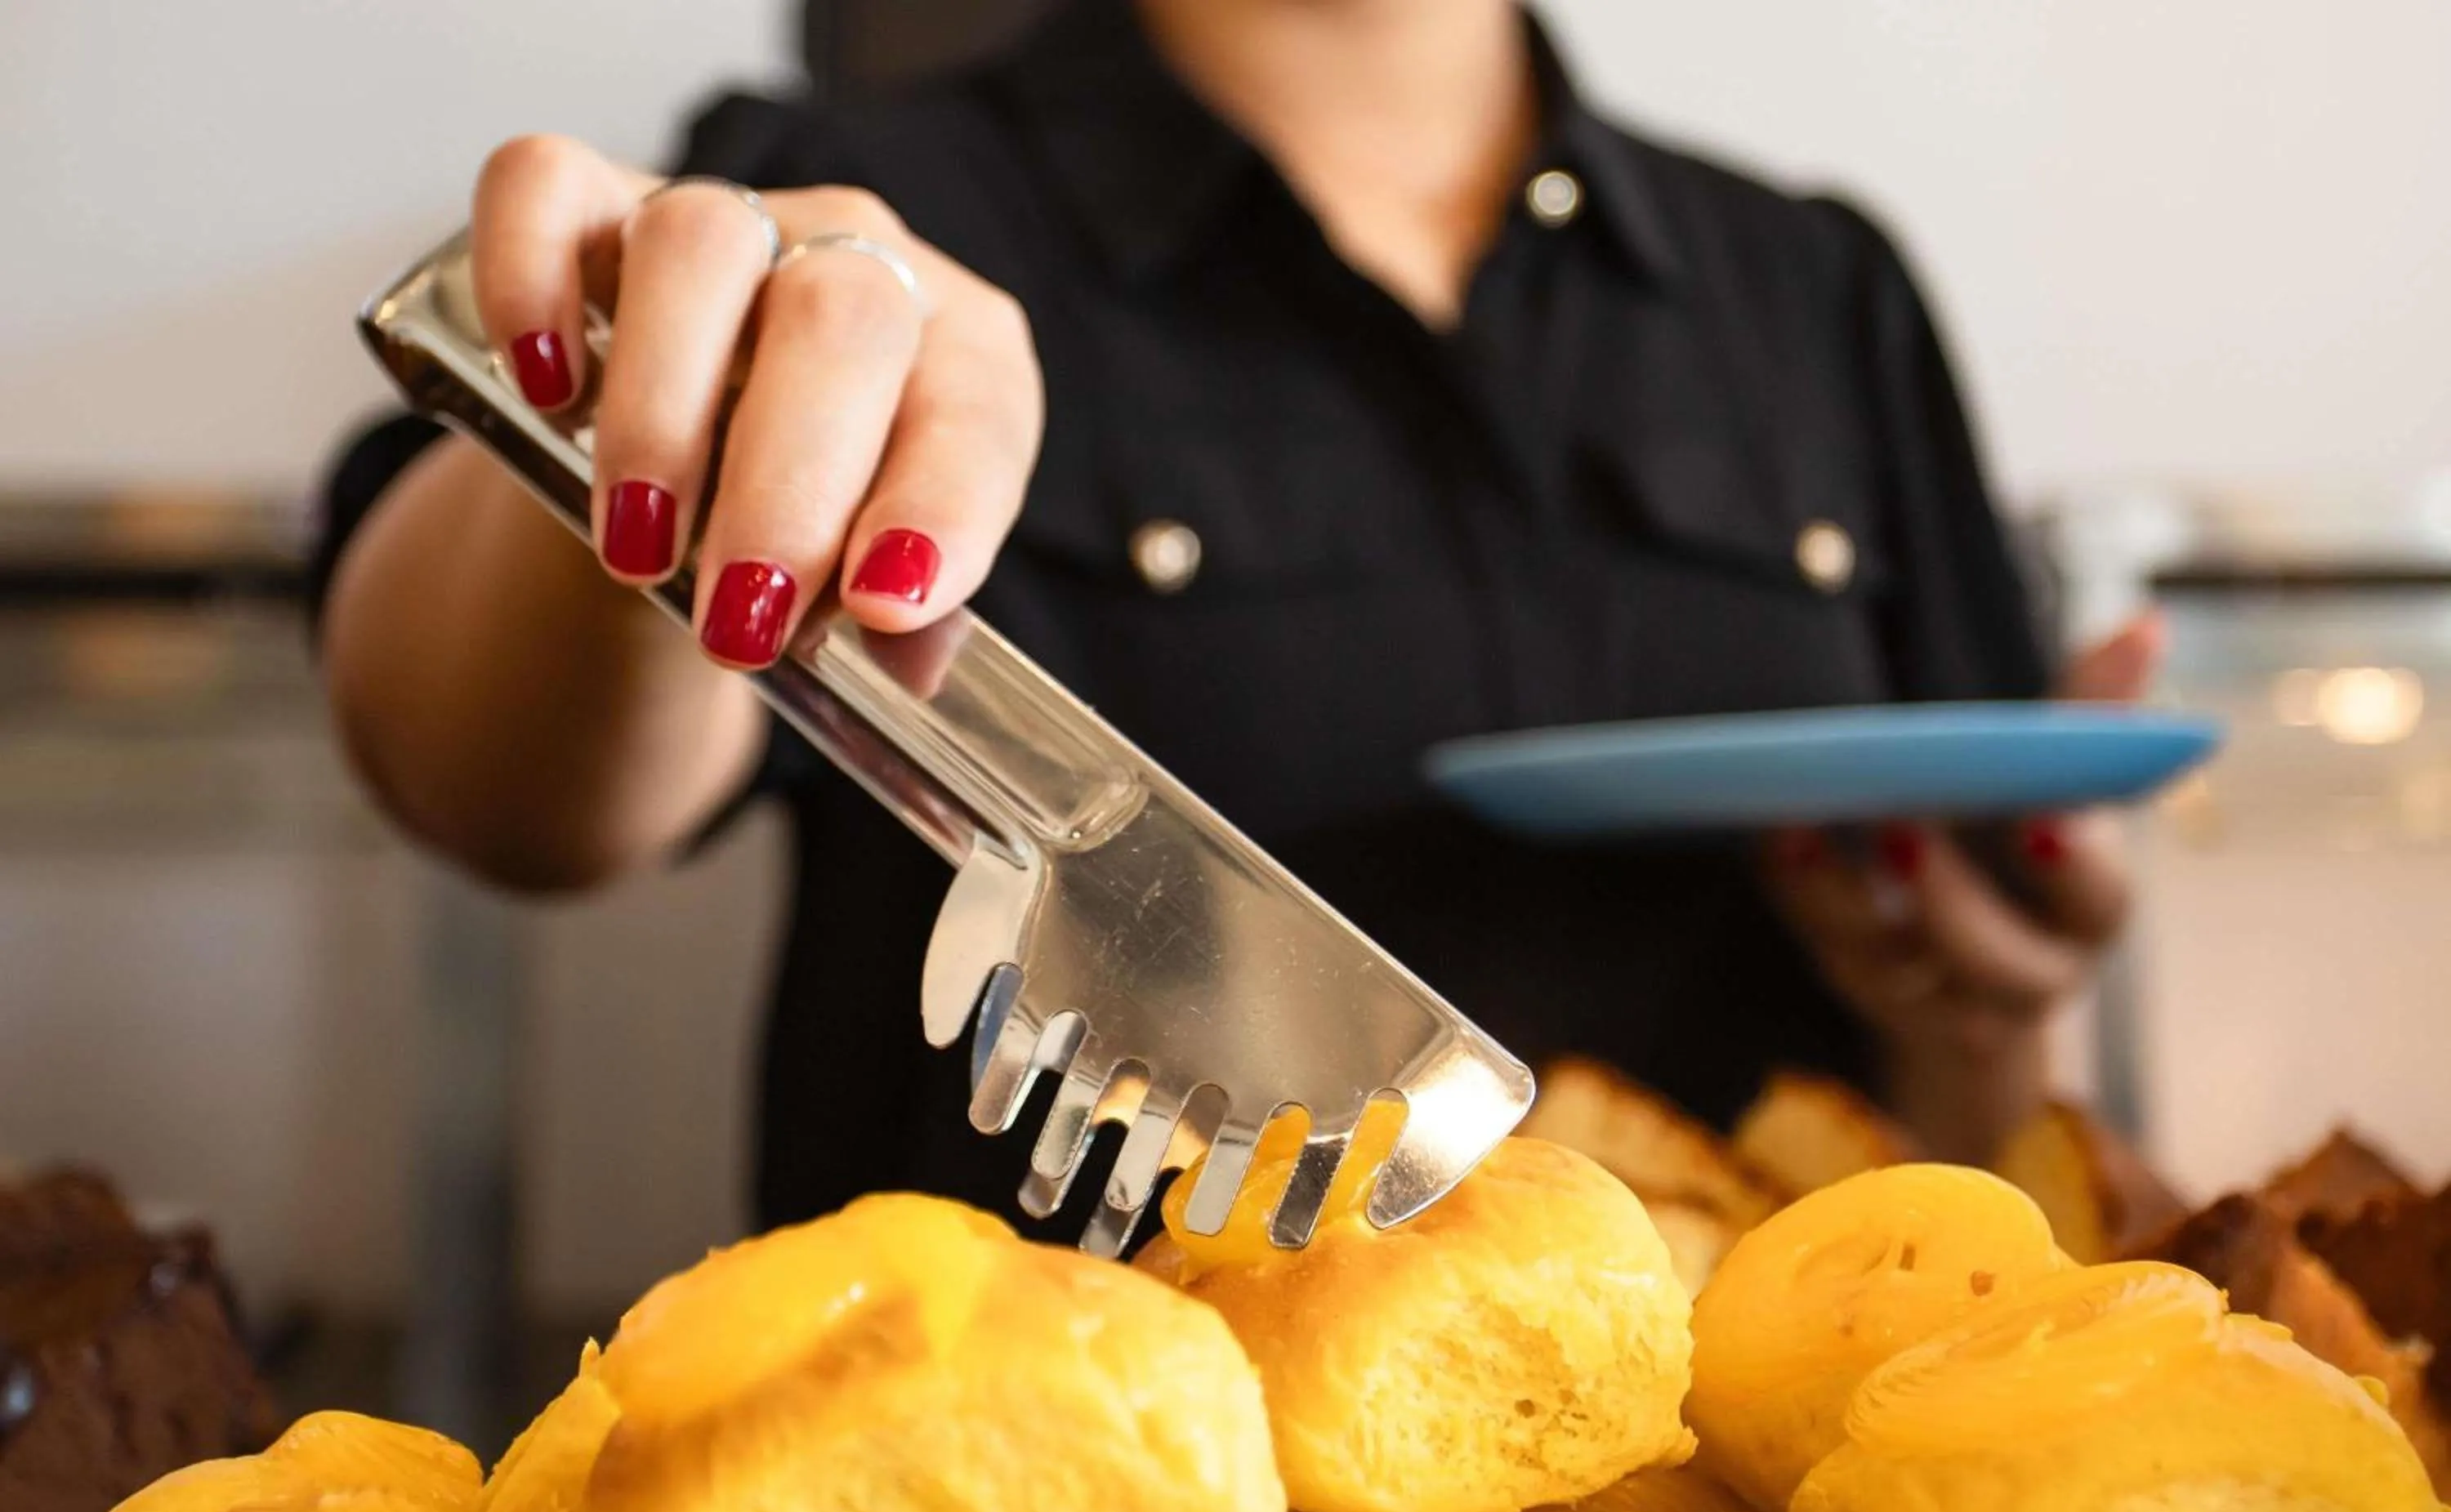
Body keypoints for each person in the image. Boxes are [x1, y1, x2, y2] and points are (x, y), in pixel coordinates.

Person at [316, 0, 2150, 1244]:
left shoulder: (1812, 289)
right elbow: (488, 785)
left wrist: (1970, 1015)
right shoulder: (851, 206)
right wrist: (648, 418)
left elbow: (1965, 1083)